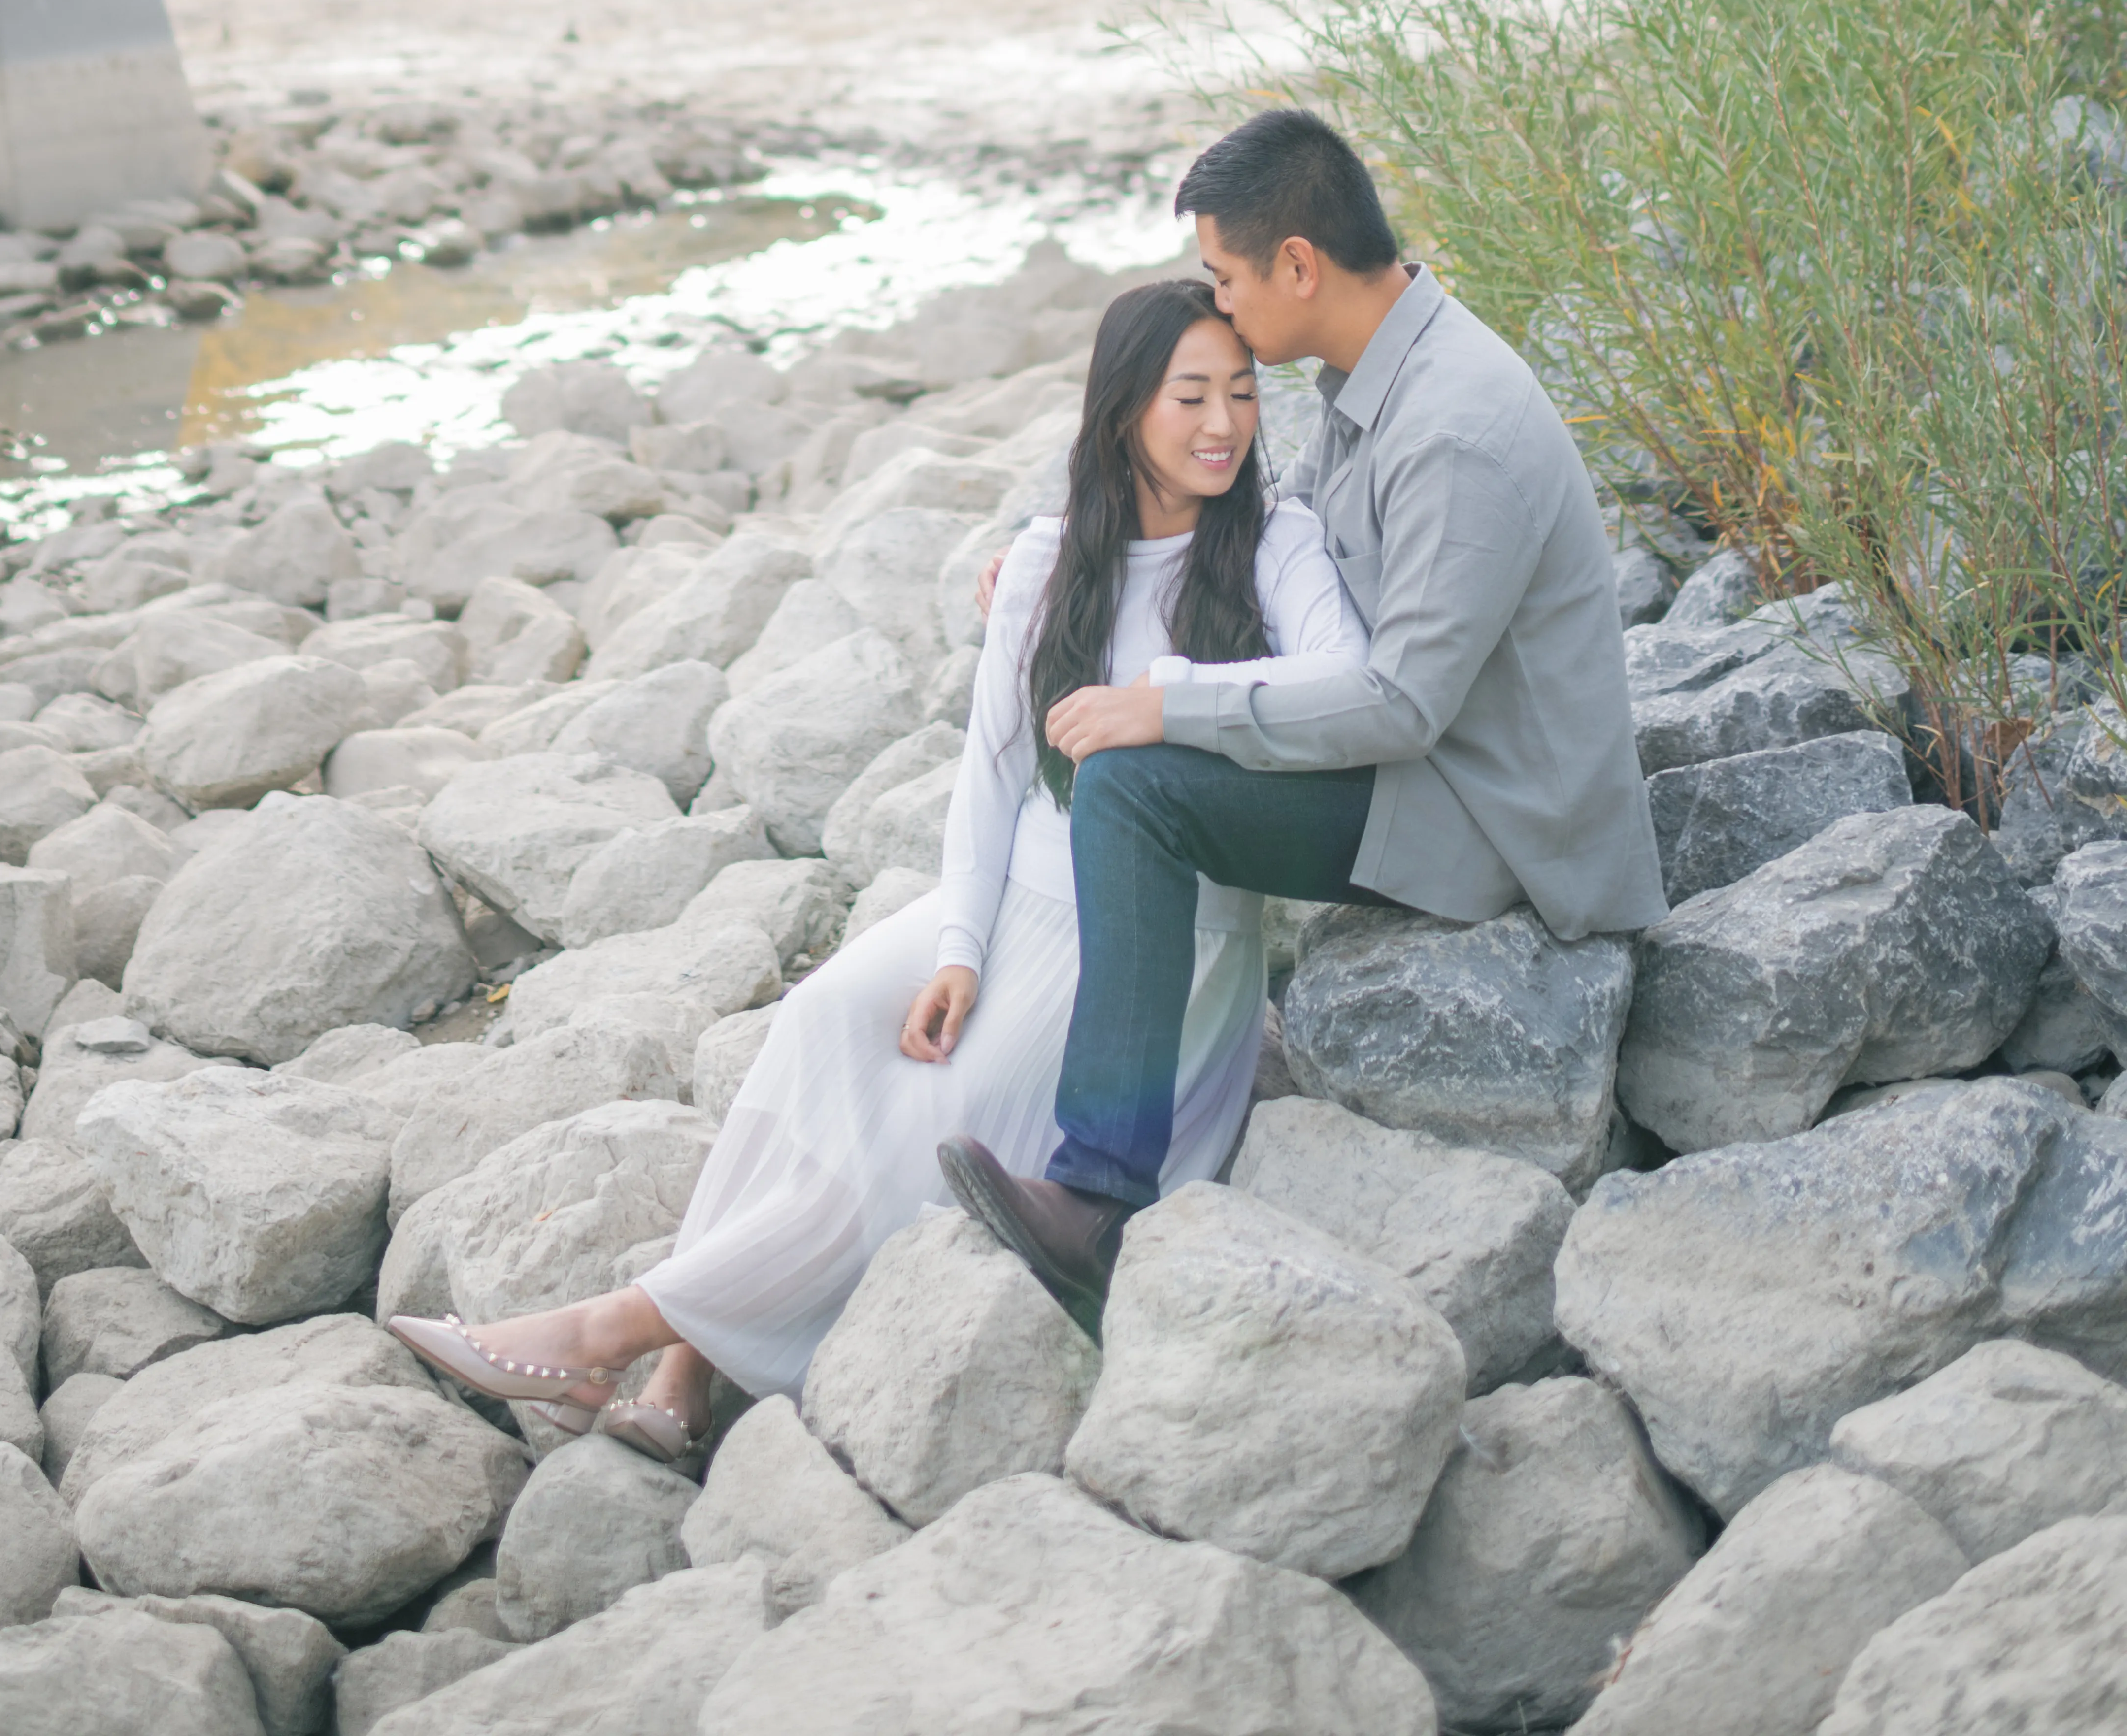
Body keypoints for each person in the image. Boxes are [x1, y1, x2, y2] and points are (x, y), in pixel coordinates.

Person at [387, 273, 1371, 1448]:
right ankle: (687, 1371)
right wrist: (959, 947)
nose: (1223, 425)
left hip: (1155, 941)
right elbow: (991, 776)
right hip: (1016, 900)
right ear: (1122, 412)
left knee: (926, 1121)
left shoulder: (1273, 543)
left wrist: (1162, 697)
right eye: (1190, 396)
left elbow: (1346, 678)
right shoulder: (1050, 562)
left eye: (1241, 394)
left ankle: (608, 1331)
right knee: (826, 1022)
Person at [940, 104, 1666, 1330]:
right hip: (1432, 767)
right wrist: (1059, 558)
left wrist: (1167, 701)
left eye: (1223, 278)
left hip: (1493, 818)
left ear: (1295, 265)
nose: (1221, 309)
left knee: (1135, 783)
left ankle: (1098, 1199)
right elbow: (1280, 543)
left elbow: (1401, 702)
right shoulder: (1380, 371)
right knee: (1141, 764)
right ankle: (1101, 1144)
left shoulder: (1454, 427)